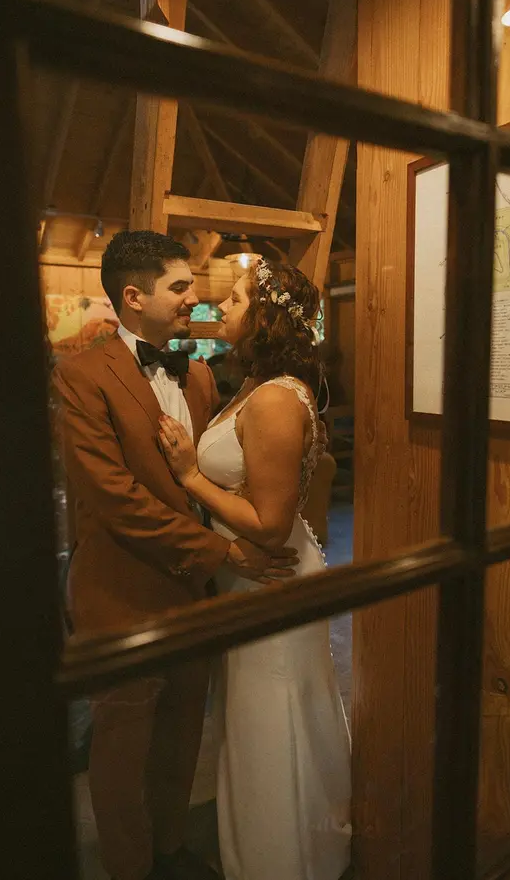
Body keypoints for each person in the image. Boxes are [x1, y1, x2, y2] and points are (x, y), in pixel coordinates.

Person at [52, 231, 298, 880]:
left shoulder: (197, 375)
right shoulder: (80, 376)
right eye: (181, 286)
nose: (196, 298)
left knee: (184, 733)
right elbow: (115, 498)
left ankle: (170, 849)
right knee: (122, 750)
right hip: (122, 592)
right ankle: (129, 868)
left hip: (195, 593)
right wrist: (223, 551)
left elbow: (209, 480)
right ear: (135, 297)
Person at [159, 258, 352, 880]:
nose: (222, 307)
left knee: (272, 725)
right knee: (252, 721)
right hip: (247, 576)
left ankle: (283, 862)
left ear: (265, 317)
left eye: (237, 299)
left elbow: (269, 523)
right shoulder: (254, 385)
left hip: (270, 573)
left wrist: (190, 475)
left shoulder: (273, 400)